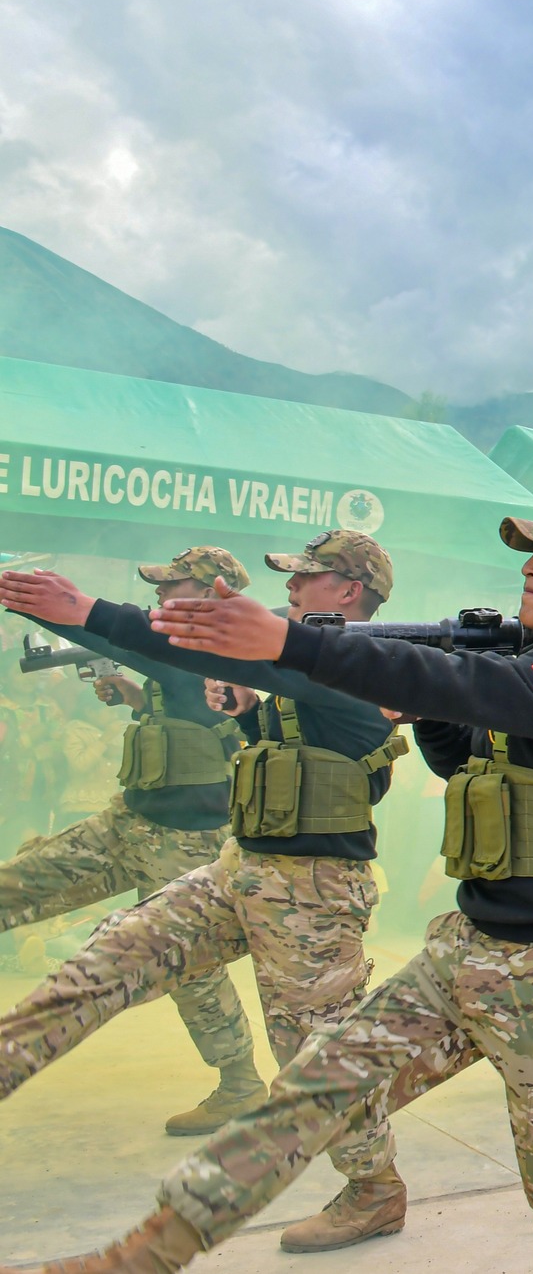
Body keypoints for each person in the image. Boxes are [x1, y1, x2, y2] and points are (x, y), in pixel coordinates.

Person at [2, 501, 533, 1274]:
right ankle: (143, 1256)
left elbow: (463, 683)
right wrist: (430, 709)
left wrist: (301, 646)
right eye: (532, 552)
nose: (530, 565)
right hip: (465, 953)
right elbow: (467, 755)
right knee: (306, 1095)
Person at [0, 533, 414, 1253]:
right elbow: (284, 733)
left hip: (313, 892)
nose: (291, 584)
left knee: (310, 1058)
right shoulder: (299, 660)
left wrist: (85, 609)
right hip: (238, 864)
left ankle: (374, 1188)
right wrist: (248, 708)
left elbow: (201, 653)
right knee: (109, 956)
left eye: (307, 575)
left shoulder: (359, 663)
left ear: (349, 589)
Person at [0, 548, 258, 1133]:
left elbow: (126, 640)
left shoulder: (215, 647)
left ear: (217, 592)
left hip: (183, 844)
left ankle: (240, 1083)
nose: (162, 596)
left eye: (176, 586)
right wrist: (138, 700)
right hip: (127, 823)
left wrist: (40, 601)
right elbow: (190, 712)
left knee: (191, 972)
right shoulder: (182, 656)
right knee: (18, 884)